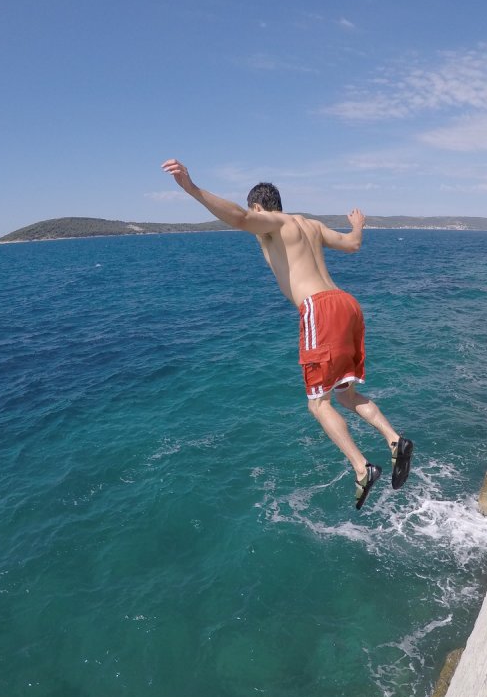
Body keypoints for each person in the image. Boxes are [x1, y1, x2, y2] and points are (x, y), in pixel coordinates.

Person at [160, 159, 414, 509]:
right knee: (345, 394)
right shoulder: (311, 225)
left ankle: (362, 467)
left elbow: (239, 218)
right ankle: (394, 440)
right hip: (347, 304)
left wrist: (192, 189)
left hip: (318, 309)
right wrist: (357, 225)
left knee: (318, 403)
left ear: (260, 206)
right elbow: (353, 244)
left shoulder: (272, 222)